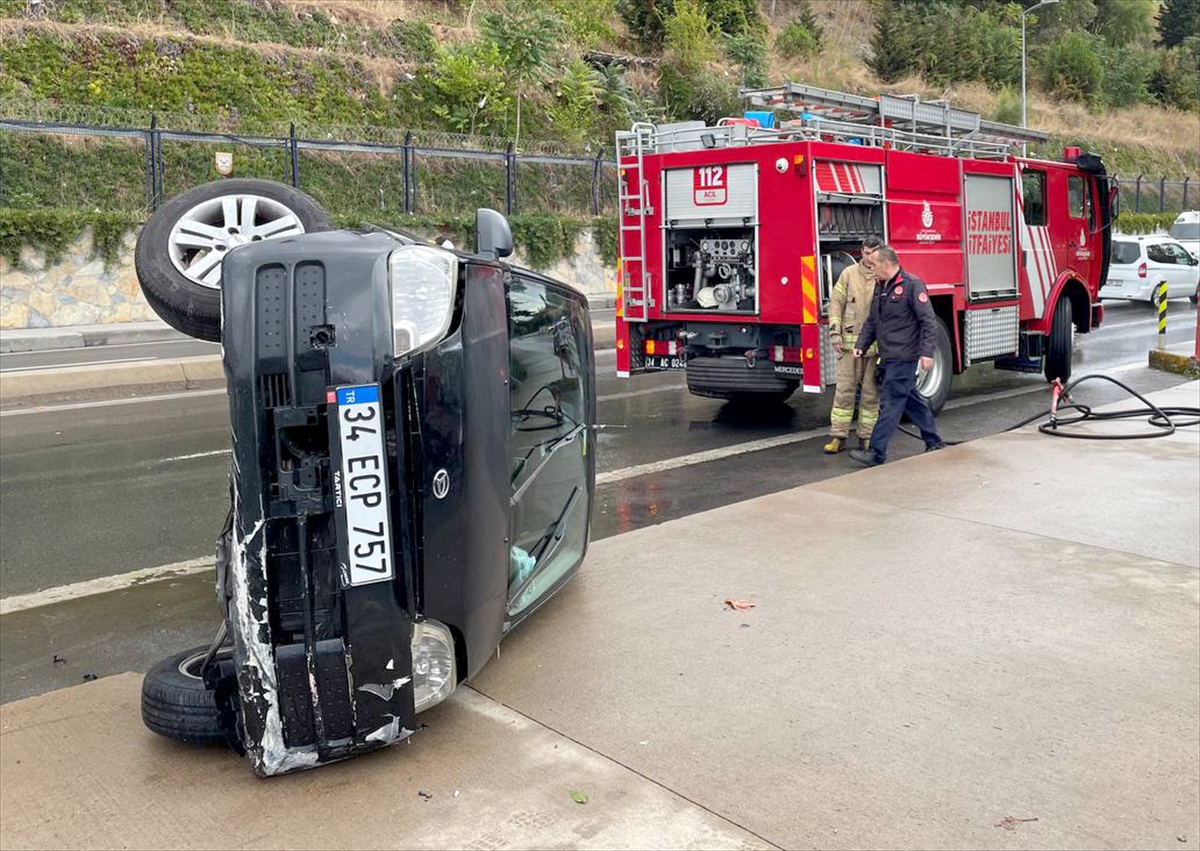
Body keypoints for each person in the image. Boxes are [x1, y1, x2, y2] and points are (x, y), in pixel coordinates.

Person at [849, 245, 945, 466]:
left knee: (891, 403)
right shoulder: (881, 286)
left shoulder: (912, 285)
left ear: (887, 264)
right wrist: (861, 345)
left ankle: (876, 452)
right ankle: (933, 440)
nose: (870, 268)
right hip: (889, 355)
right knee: (911, 401)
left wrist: (927, 353)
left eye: (873, 264)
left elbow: (928, 322)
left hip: (904, 356)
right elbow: (874, 320)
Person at [823, 236, 883, 454]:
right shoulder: (849, 274)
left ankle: (866, 437)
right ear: (861, 251)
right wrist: (835, 333)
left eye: (873, 253)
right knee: (844, 391)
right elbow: (836, 305)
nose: (868, 257)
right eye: (866, 252)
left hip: (874, 348)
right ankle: (838, 436)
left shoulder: (883, 275)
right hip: (849, 347)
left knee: (870, 393)